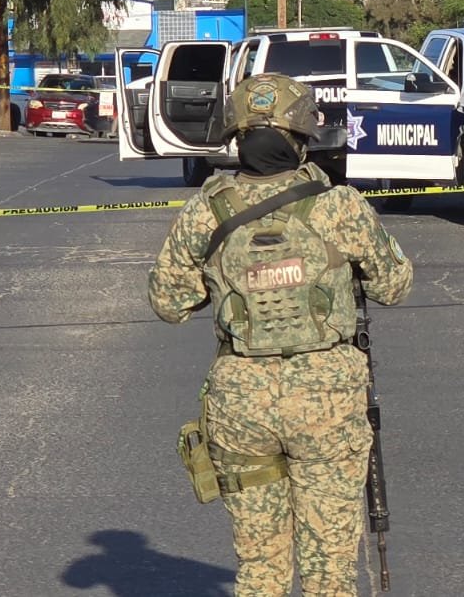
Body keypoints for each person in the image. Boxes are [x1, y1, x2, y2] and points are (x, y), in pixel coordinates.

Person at [148, 73, 413, 597]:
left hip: (240, 403)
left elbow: (168, 302)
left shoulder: (208, 209)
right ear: (301, 134)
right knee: (329, 572)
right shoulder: (338, 205)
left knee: (261, 568)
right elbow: (394, 284)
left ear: (235, 134)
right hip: (327, 403)